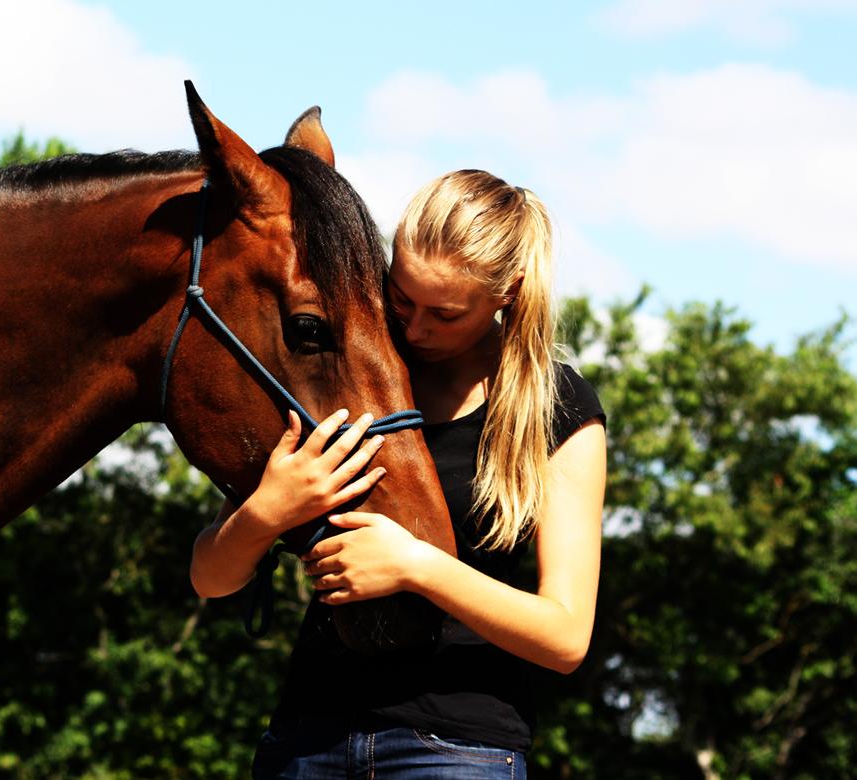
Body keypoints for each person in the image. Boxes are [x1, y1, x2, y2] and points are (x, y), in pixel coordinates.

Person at [190, 169, 606, 779]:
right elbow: (209, 578)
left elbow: (566, 637)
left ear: (508, 293)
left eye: (444, 313)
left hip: (460, 752)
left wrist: (418, 566)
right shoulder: (350, 368)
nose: (414, 329)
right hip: (307, 742)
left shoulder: (556, 407)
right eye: (401, 296)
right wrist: (268, 510)